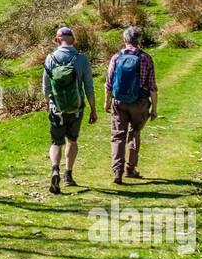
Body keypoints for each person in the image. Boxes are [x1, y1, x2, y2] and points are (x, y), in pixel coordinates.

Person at [41, 25, 97, 192]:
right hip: (76, 108)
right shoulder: (81, 59)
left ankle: (55, 169)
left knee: (56, 142)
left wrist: (48, 104)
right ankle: (69, 175)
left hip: (56, 108)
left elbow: (45, 88)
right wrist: (93, 108)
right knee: (72, 140)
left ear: (57, 40)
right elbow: (89, 87)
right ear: (73, 39)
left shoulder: (50, 58)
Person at [105, 25, 158, 184]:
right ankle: (130, 168)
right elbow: (152, 87)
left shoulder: (116, 57)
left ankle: (117, 171)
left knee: (118, 135)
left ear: (125, 39)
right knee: (134, 133)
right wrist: (154, 108)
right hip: (140, 102)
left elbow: (108, 83)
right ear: (140, 40)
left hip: (119, 101)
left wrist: (107, 102)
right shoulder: (146, 58)